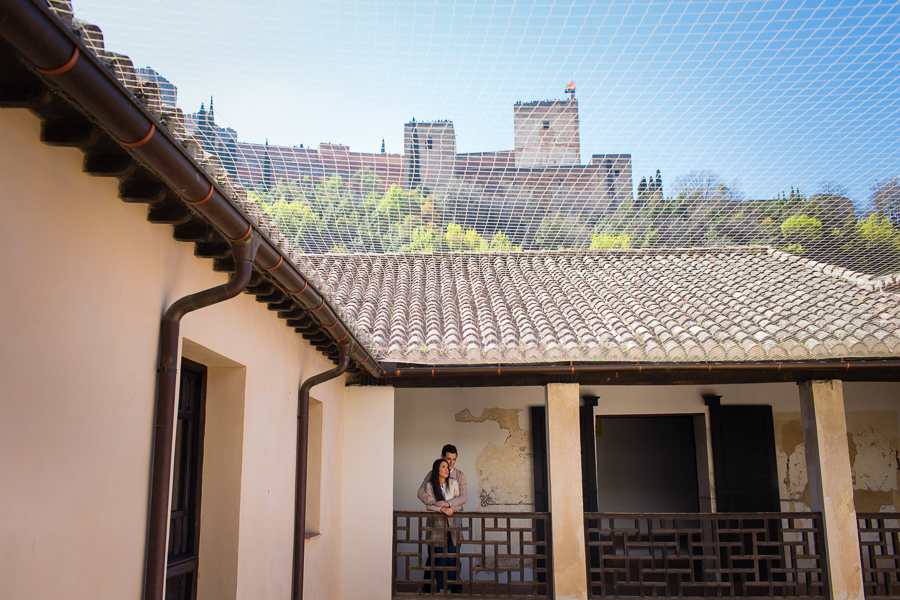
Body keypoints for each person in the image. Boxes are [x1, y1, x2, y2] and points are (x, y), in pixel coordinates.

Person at [418, 445, 466, 594]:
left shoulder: (459, 476)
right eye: (447, 459)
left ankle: (454, 588)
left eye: (453, 460)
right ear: (441, 457)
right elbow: (421, 492)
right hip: (436, 524)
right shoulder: (432, 474)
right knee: (435, 557)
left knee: (453, 557)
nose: (450, 463)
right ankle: (431, 587)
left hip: (453, 522)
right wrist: (436, 504)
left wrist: (449, 504)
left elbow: (463, 498)